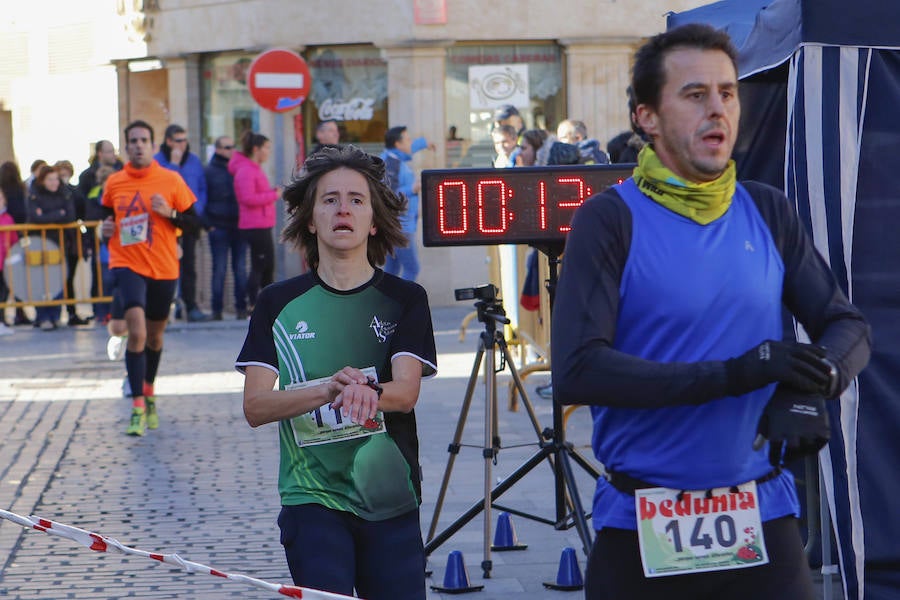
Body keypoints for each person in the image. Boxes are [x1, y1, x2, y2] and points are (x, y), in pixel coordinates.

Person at [551, 24, 871, 600]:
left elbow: (846, 325)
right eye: (695, 95)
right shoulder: (610, 220)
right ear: (647, 116)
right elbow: (579, 369)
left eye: (727, 92)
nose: (717, 109)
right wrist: (739, 374)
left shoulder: (766, 210)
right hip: (644, 520)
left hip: (760, 514)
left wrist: (814, 381)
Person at [236, 144, 437, 600]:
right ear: (310, 219)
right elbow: (255, 406)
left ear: (373, 219)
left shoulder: (406, 299)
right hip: (312, 500)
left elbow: (404, 394)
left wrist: (365, 390)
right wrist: (329, 390)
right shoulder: (276, 303)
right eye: (329, 200)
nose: (342, 209)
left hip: (390, 496)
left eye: (356, 200)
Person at [101, 119, 202, 436]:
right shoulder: (114, 183)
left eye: (144, 140)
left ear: (153, 146)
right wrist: (103, 230)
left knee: (155, 338)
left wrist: (169, 214)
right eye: (133, 140)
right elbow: (106, 219)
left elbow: (196, 223)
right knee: (138, 333)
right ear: (126, 146)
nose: (139, 145)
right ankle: (137, 407)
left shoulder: (171, 181)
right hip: (126, 263)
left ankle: (149, 390)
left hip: (163, 267)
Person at [155, 124, 210, 322]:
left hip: (188, 221)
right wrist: (174, 164)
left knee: (189, 266)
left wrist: (198, 208)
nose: (183, 144)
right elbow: (163, 184)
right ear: (169, 141)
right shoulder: (158, 161)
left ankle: (190, 305)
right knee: (166, 266)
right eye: (179, 140)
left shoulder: (194, 161)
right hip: (166, 222)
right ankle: (166, 308)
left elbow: (202, 188)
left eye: (185, 140)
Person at [229, 130, 281, 312]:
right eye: (266, 148)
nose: (268, 151)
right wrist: (274, 195)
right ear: (256, 149)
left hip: (262, 223)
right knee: (260, 265)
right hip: (255, 225)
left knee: (267, 266)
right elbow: (248, 198)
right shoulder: (246, 170)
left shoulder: (253, 169)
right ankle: (253, 304)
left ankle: (267, 304)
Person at [380, 125, 434, 282]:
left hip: (396, 226)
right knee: (412, 269)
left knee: (392, 269)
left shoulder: (393, 158)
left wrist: (424, 143)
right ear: (398, 144)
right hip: (400, 227)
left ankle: (385, 304)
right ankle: (401, 304)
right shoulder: (391, 163)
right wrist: (412, 188)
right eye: (408, 139)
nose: (411, 143)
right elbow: (387, 195)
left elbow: (407, 151)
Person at [27, 165, 77, 330]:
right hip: (39, 243)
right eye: (50, 179)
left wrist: (48, 216)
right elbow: (35, 217)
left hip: (59, 243)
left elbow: (69, 215)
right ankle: (42, 316)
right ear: (42, 180)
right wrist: (58, 214)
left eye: (56, 178)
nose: (54, 182)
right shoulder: (34, 194)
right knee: (41, 281)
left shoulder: (65, 193)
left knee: (57, 280)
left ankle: (55, 315)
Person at [204, 135, 248, 320]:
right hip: (218, 226)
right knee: (219, 269)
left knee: (240, 268)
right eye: (228, 147)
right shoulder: (209, 171)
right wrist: (208, 225)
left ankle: (241, 308)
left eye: (233, 146)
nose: (232, 150)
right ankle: (216, 310)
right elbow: (201, 198)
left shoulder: (239, 168)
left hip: (239, 226)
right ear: (218, 150)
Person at [0, 162, 31, 326]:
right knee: (14, 281)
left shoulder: (8, 190)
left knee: (6, 285)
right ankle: (19, 312)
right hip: (16, 239)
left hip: (10, 240)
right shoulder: (20, 189)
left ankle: (5, 316)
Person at [0, 187, 19, 335]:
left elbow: (14, 239)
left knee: (3, 292)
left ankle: (1, 320)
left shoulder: (8, 218)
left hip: (4, 262)